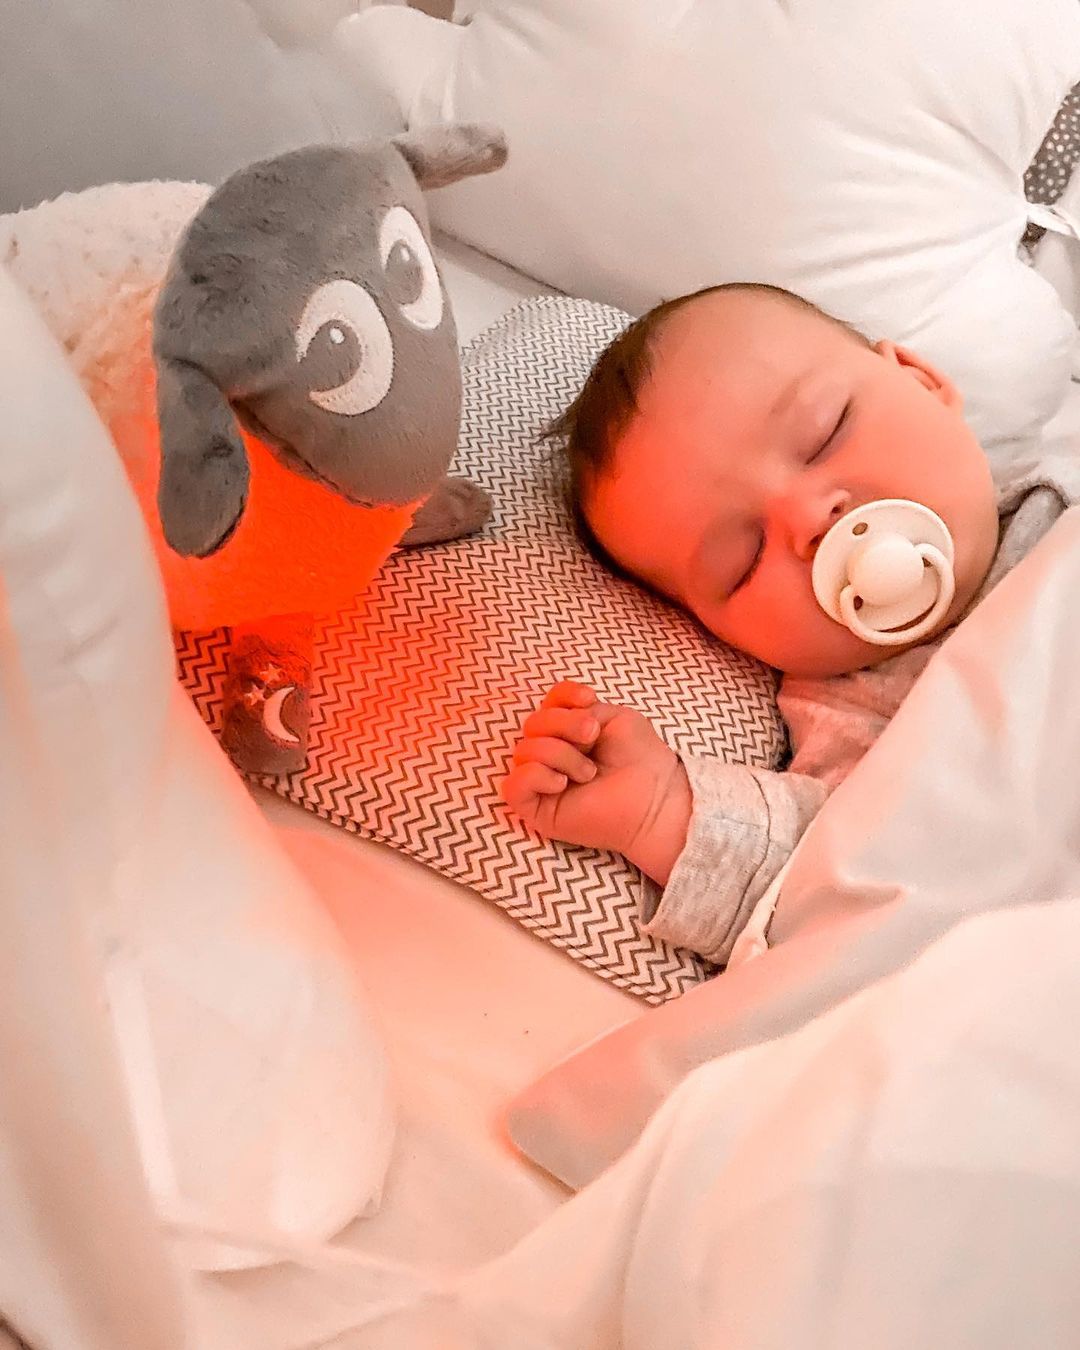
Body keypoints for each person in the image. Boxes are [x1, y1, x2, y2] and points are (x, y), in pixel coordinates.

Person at [501, 282, 1079, 965]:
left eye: (825, 433)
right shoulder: (847, 721)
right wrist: (659, 811)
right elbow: (831, 899)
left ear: (921, 382)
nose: (809, 520)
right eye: (742, 561)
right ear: (723, 638)